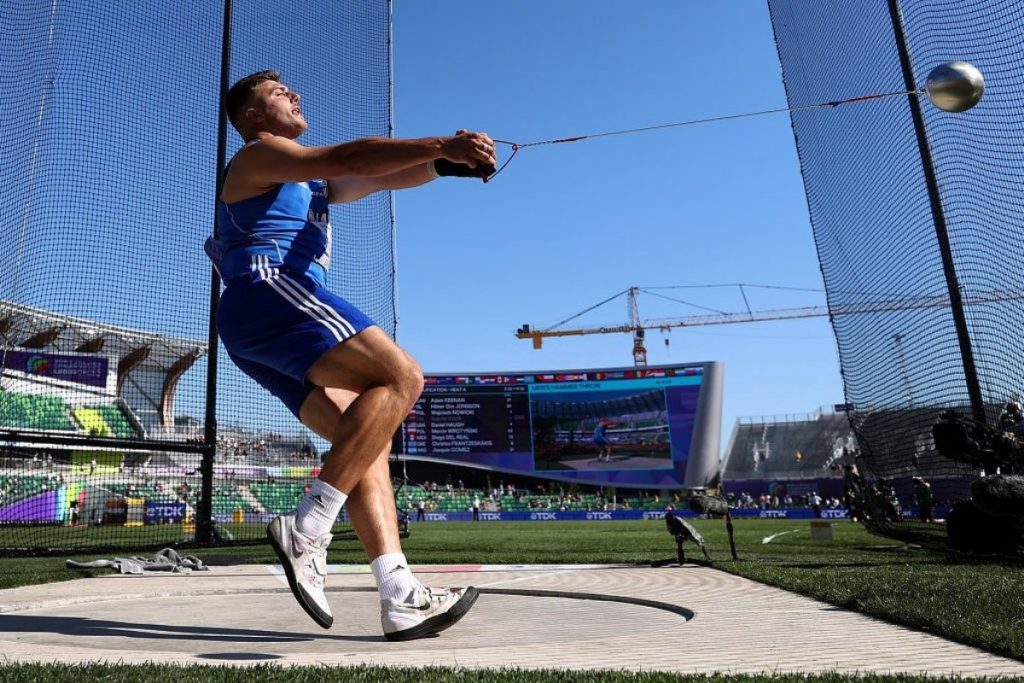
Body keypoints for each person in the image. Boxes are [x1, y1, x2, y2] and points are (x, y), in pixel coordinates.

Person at [206, 71, 496, 641]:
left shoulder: (310, 183)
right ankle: (307, 529)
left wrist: (445, 166)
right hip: (272, 291)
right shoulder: (259, 156)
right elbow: (352, 155)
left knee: (365, 449)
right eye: (276, 92)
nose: (293, 93)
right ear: (252, 117)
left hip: (257, 326)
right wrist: (443, 142)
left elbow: (378, 177)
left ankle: (401, 595)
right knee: (402, 377)